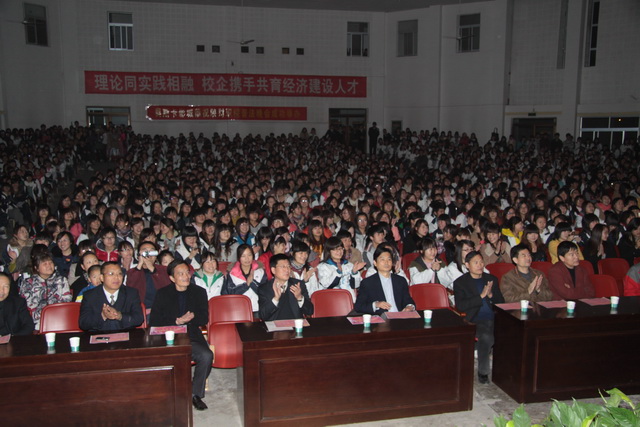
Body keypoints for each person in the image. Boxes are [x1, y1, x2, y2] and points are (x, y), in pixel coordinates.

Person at [150, 260, 213, 411]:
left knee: (206, 356)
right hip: (168, 336)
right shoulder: (162, 293)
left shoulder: (199, 292)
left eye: (187, 272)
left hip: (191, 335)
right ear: (172, 278)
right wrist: (177, 321)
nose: (186, 276)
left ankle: (195, 394)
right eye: (181, 273)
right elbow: (154, 321)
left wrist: (191, 318)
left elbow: (204, 318)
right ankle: (166, 392)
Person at [453, 251, 504, 384]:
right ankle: (483, 372)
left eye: (481, 262)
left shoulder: (491, 279)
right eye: (476, 262)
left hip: (494, 317)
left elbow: (501, 303)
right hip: (475, 319)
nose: (480, 265)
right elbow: (461, 306)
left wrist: (491, 295)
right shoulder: (460, 283)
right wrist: (480, 296)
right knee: (486, 337)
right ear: (467, 265)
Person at [79, 261, 144, 331]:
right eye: (111, 274)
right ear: (102, 277)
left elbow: (139, 319)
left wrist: (120, 316)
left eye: (119, 274)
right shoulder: (90, 295)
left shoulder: (131, 293)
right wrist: (102, 316)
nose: (116, 277)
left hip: (125, 335)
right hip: (99, 335)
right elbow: (83, 323)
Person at [19, 249, 72, 330]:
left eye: (50, 263)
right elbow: (27, 304)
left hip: (58, 318)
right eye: (45, 264)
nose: (49, 266)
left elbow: (67, 300)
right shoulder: (28, 283)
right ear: (36, 268)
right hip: (37, 320)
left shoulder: (61, 280)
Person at [354, 246, 416, 315]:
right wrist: (376, 304)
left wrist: (409, 307)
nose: (386, 262)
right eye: (382, 259)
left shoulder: (400, 280)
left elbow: (408, 300)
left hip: (399, 317)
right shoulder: (367, 283)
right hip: (381, 318)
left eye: (389, 259)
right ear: (375, 263)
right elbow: (358, 306)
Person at [258, 254, 314, 321]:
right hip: (274, 326)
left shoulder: (298, 285)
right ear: (273, 270)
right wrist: (275, 299)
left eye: (288, 266)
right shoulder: (264, 289)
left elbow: (310, 311)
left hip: (295, 325)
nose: (287, 270)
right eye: (283, 267)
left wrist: (299, 298)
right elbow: (263, 315)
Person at [221, 244, 267, 314]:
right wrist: (246, 285)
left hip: (258, 309)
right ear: (239, 257)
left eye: (249, 255)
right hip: (238, 310)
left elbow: (265, 292)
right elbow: (231, 293)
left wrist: (252, 282)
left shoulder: (260, 271)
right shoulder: (232, 273)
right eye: (243, 256)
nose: (247, 258)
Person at [126, 241, 171, 312]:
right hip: (141, 311)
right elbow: (131, 289)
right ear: (138, 255)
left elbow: (167, 288)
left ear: (156, 256)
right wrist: (140, 264)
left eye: (152, 252)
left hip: (161, 310)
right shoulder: (132, 272)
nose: (148, 254)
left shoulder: (164, 270)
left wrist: (152, 268)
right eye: (145, 251)